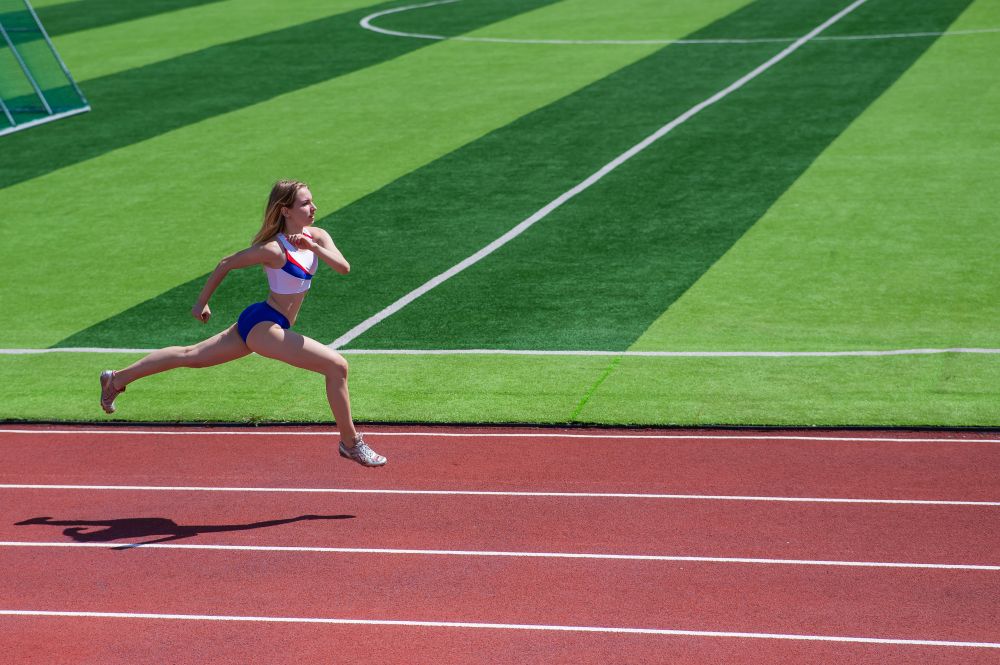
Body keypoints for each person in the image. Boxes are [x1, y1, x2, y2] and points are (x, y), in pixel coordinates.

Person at [98, 180, 386, 467]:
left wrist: (313, 246)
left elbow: (343, 267)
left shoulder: (318, 236)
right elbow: (226, 263)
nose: (313, 207)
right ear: (285, 211)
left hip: (262, 320)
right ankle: (351, 443)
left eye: (312, 201)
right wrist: (201, 303)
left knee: (191, 356)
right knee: (337, 366)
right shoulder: (274, 250)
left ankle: (117, 378)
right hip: (264, 326)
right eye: (305, 203)